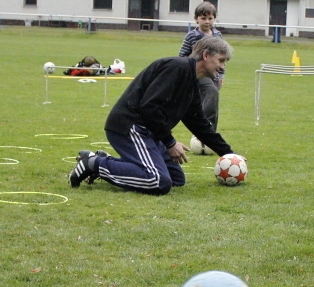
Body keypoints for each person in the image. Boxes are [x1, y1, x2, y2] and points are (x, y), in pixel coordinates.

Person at [69, 36, 236, 195]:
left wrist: (229, 154)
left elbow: (198, 122)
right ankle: (93, 164)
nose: (223, 67)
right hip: (130, 127)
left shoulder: (192, 81)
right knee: (158, 181)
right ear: (206, 55)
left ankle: (105, 160)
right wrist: (170, 143)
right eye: (221, 61)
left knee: (176, 179)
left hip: (148, 131)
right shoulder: (177, 68)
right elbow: (149, 106)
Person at [178, 1, 224, 132]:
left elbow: (221, 58)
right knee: (211, 92)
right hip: (198, 74)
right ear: (196, 19)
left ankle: (210, 133)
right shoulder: (192, 36)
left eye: (210, 18)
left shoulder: (217, 35)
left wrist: (221, 75)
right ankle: (204, 129)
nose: (207, 22)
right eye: (203, 18)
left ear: (214, 19)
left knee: (212, 101)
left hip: (213, 75)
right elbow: (182, 56)